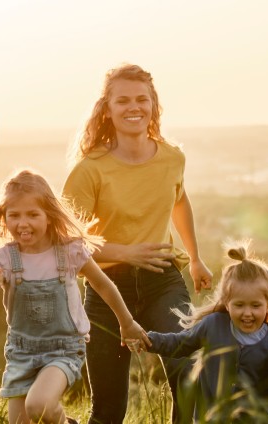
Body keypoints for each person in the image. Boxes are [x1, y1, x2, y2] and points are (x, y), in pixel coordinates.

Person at [62, 63, 212, 423]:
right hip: (106, 290)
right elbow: (67, 243)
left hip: (163, 280)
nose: (134, 107)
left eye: (142, 99)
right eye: (123, 100)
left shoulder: (173, 157)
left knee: (188, 372)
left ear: (153, 105)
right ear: (107, 109)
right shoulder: (89, 170)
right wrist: (124, 252)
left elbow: (178, 199)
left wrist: (195, 258)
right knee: (109, 410)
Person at [0, 169, 150, 424]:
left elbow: (103, 284)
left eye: (33, 214)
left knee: (40, 405)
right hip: (21, 351)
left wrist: (126, 322)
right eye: (14, 216)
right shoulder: (2, 259)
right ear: (4, 218)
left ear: (49, 216)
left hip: (63, 348)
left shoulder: (69, 252)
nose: (23, 223)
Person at [143, 244, 268, 423]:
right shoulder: (213, 325)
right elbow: (179, 344)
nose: (247, 313)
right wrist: (147, 339)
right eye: (239, 305)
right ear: (227, 303)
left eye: (255, 305)